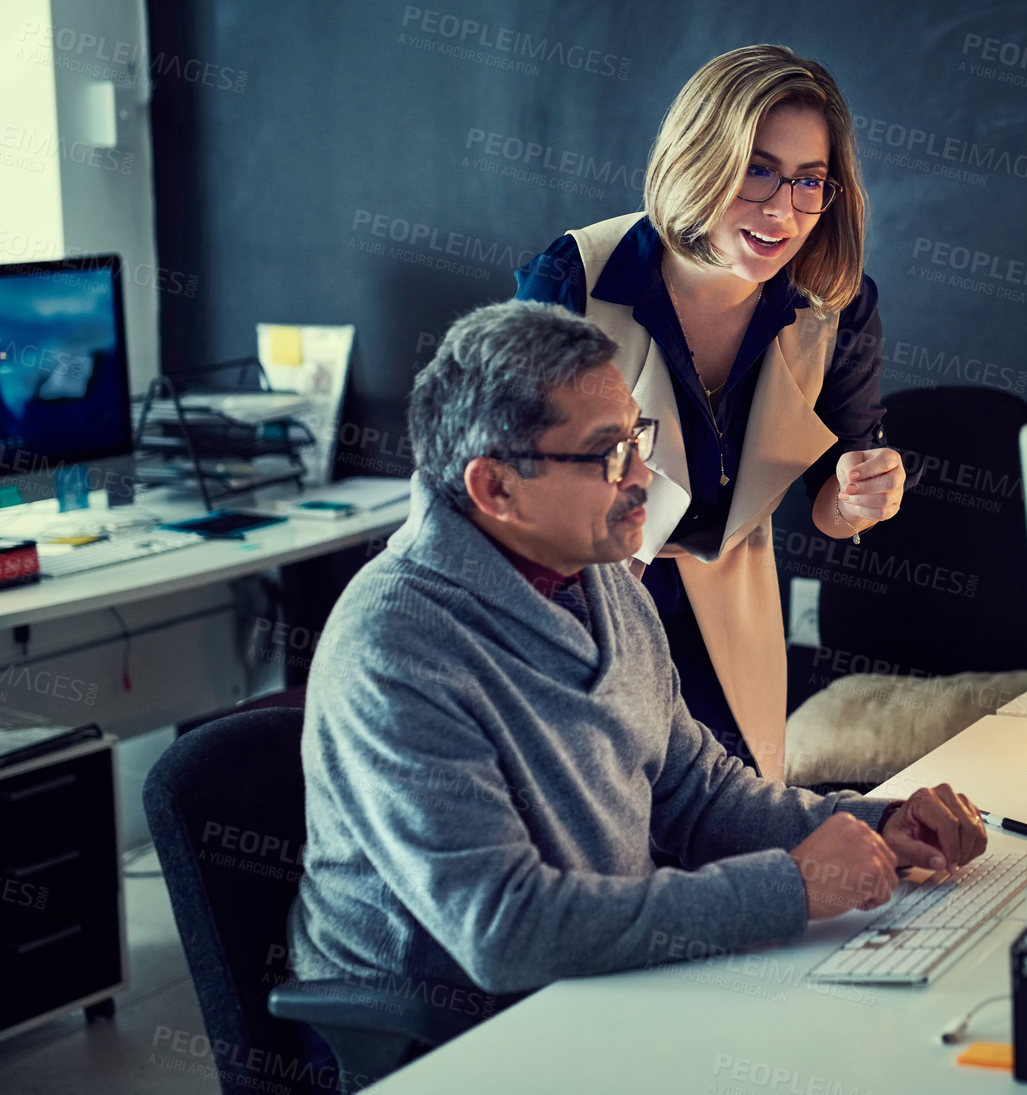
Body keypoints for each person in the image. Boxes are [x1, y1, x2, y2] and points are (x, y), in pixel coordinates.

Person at [287, 301, 984, 1005]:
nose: (643, 476)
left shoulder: (600, 577)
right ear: (494, 486)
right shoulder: (394, 648)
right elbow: (504, 930)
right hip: (448, 1031)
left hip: (591, 984)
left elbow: (696, 794)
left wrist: (873, 827)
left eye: (637, 439)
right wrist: (793, 887)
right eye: (606, 455)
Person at [514, 44, 904, 781]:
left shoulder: (836, 304)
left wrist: (861, 494)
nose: (783, 210)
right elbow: (506, 496)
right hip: (583, 598)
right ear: (700, 157)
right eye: (757, 169)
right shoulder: (575, 278)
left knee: (739, 821)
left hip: (730, 605)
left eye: (809, 181)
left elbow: (834, 503)